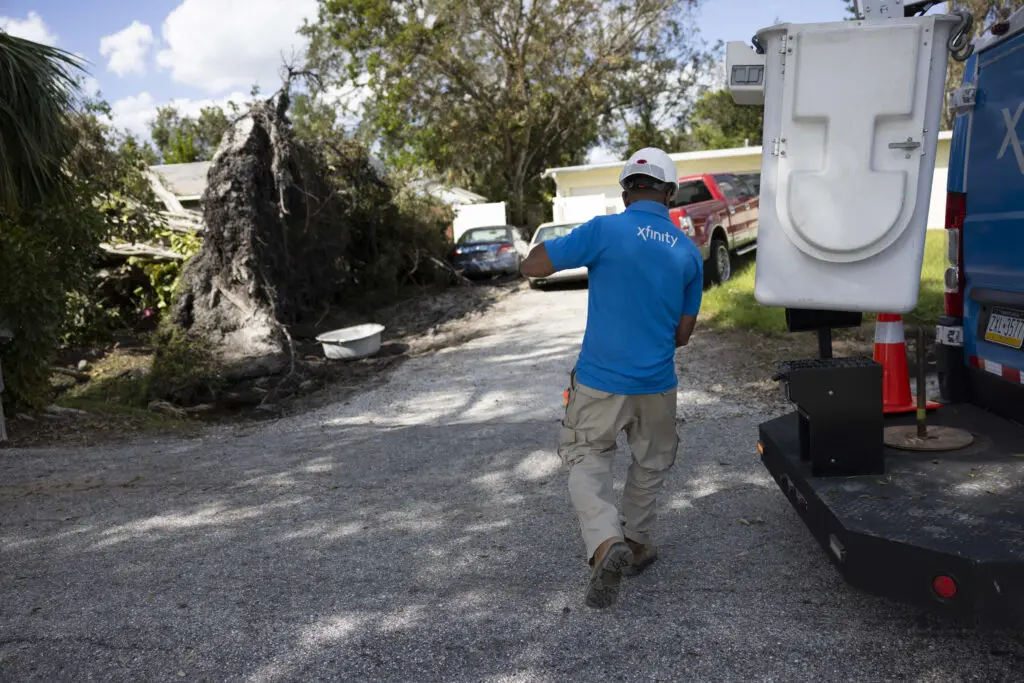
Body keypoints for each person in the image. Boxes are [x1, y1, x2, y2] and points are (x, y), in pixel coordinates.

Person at [520, 147, 703, 609]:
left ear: (625, 193)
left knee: (586, 457)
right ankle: (636, 542)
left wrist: (552, 247)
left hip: (600, 380)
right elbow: (683, 334)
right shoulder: (687, 251)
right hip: (657, 382)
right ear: (670, 193)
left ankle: (605, 542)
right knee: (651, 462)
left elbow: (533, 266)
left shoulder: (604, 230)